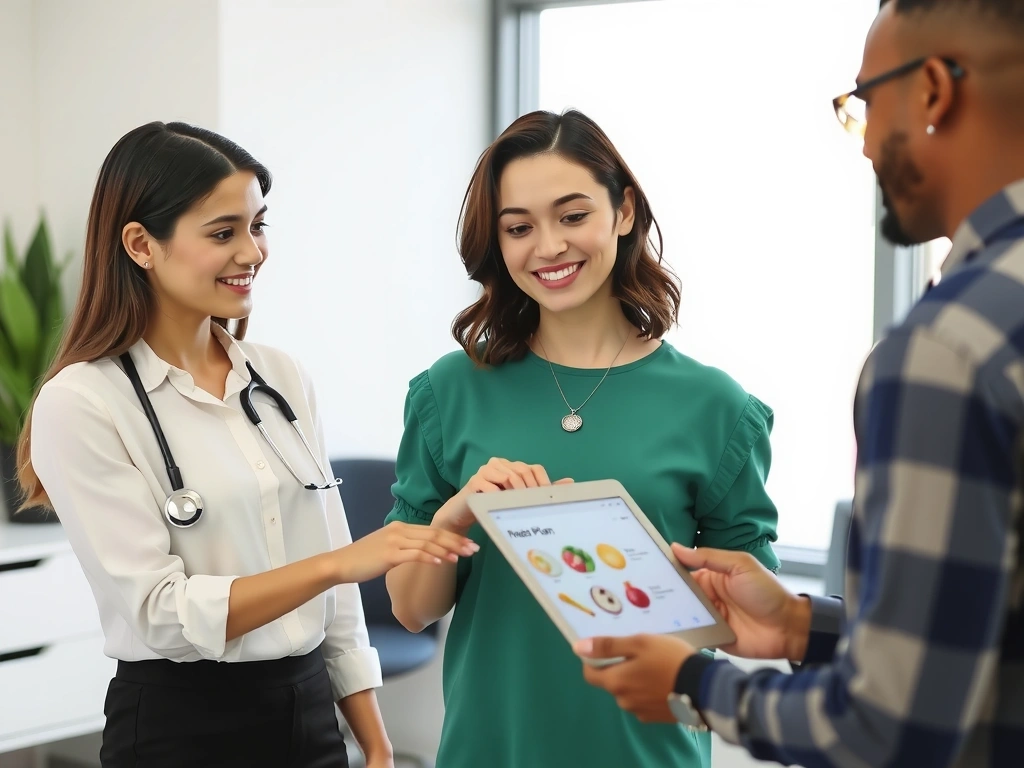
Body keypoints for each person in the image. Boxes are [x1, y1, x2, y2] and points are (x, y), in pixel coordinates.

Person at [575, 1, 1024, 766]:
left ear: (933, 94)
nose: (865, 149)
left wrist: (692, 687)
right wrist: (800, 627)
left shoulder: (947, 350)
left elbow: (890, 730)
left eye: (866, 103)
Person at [15, 121, 477, 768]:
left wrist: (373, 742)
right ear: (141, 244)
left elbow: (337, 594)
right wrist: (336, 565)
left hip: (311, 715)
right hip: (182, 729)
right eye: (223, 232)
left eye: (259, 226)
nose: (253, 252)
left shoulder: (280, 378)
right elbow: (160, 613)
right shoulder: (83, 403)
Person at [383, 109, 780, 768]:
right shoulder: (448, 391)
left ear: (624, 212)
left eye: (572, 216)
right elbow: (409, 611)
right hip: (490, 750)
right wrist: (456, 517)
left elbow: (749, 622)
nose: (548, 247)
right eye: (519, 228)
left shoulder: (717, 407)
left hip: (649, 753)